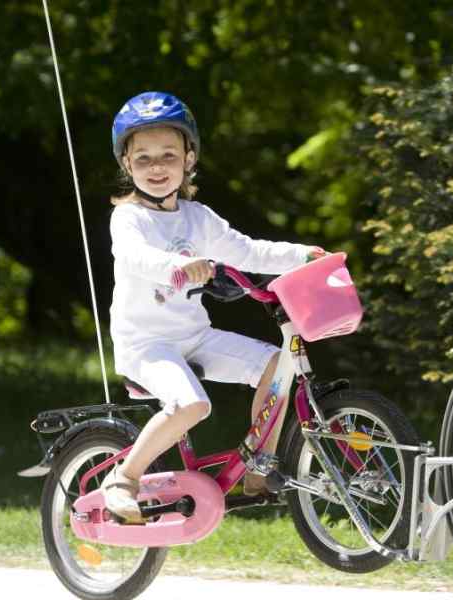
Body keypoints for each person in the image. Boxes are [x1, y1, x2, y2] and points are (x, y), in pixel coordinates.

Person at [102, 91, 326, 522]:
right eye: (143, 158)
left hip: (194, 336)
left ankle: (260, 466)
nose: (156, 167)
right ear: (126, 165)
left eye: (168, 154)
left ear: (188, 158)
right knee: (193, 405)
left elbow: (249, 251)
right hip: (146, 343)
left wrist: (302, 256)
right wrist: (179, 267)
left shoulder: (198, 217)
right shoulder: (129, 218)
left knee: (279, 367)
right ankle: (124, 479)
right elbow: (136, 257)